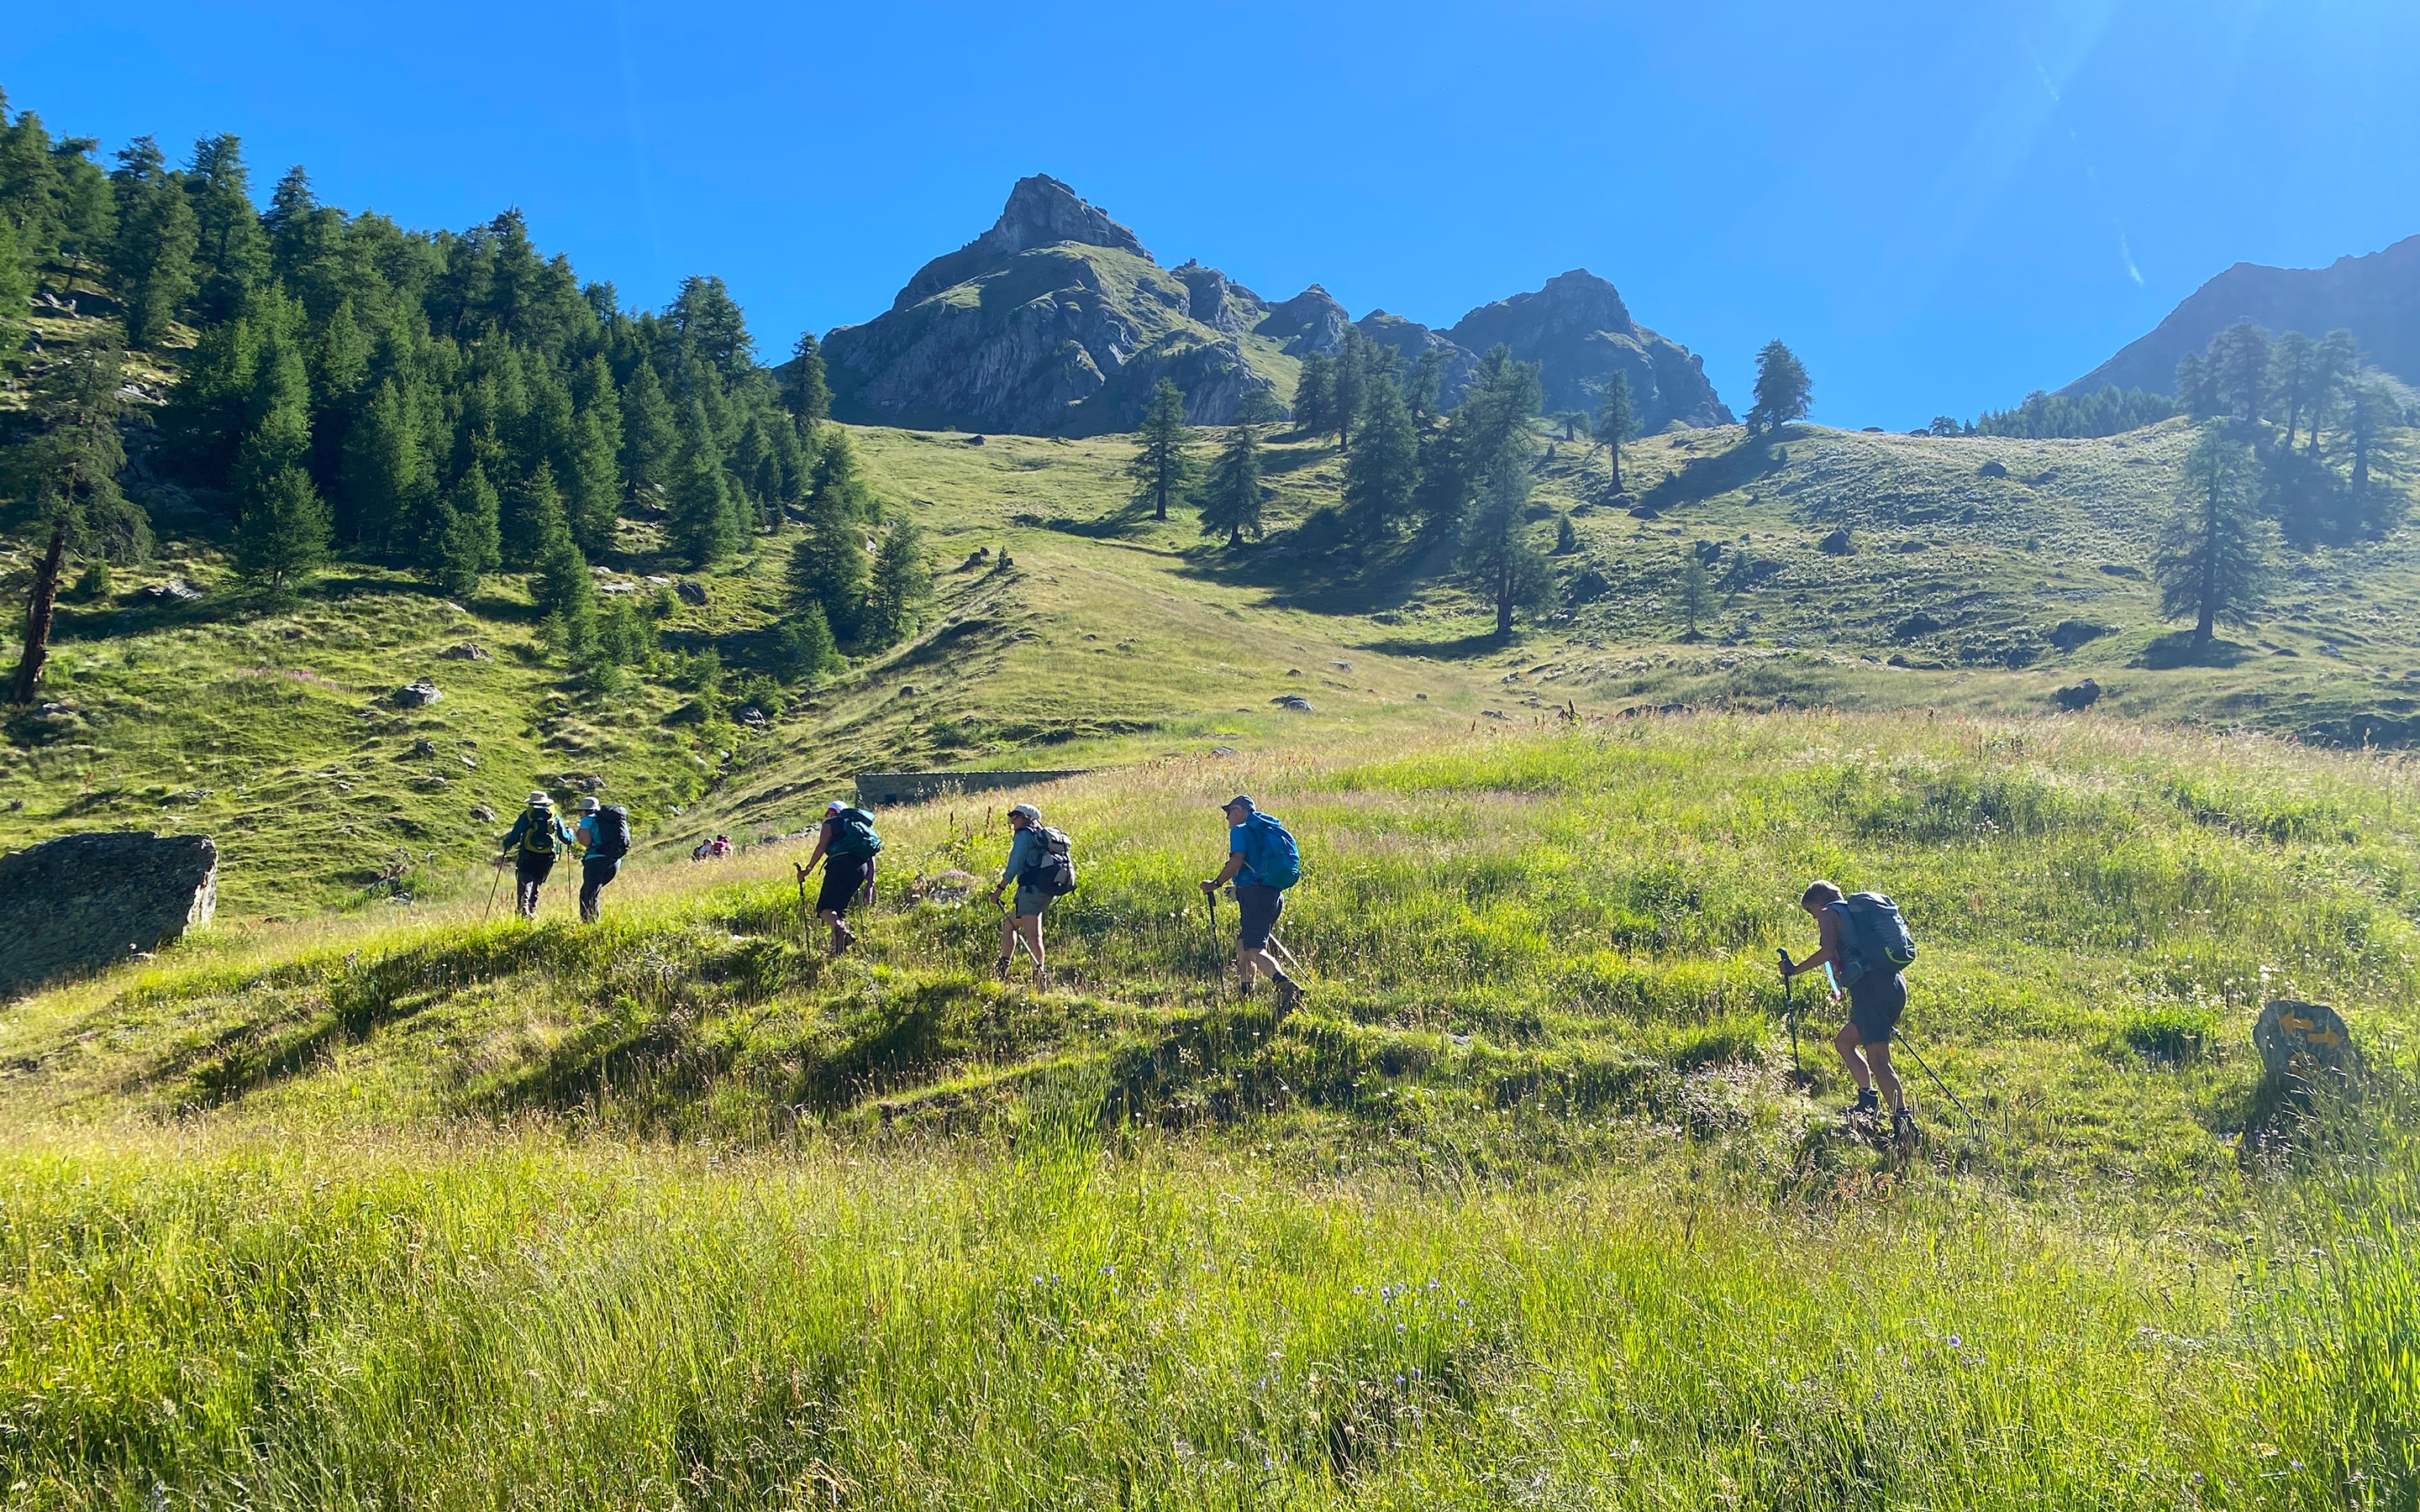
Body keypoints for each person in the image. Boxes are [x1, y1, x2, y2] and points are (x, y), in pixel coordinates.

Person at [1781, 879, 1912, 1144]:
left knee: (1879, 1061)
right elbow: (1838, 958)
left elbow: (1827, 952)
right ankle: (1868, 1103)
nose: (1814, 917)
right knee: (1844, 1042)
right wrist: (1838, 986)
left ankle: (1905, 1127)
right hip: (1893, 983)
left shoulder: (1829, 913)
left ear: (1818, 901)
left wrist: (1794, 970)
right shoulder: (1855, 913)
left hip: (1871, 989)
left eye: (1811, 912)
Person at [1199, 795, 1302, 1008]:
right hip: (1272, 894)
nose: (1227, 819)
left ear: (1238, 811)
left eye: (1228, 813)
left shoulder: (1241, 830)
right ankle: (1246, 994)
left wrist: (1216, 883)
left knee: (1254, 948)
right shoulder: (1267, 829)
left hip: (1256, 895)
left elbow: (1236, 860)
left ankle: (1286, 985)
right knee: (1243, 945)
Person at [800, 800, 881, 954]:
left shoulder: (831, 825)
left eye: (829, 812)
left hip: (840, 865)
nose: (828, 816)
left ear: (834, 812)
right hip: (860, 868)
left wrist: (807, 870)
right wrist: (870, 884)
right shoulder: (859, 827)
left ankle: (842, 933)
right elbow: (871, 856)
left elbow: (821, 846)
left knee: (824, 909)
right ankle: (837, 949)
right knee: (838, 910)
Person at [989, 802, 1053, 986]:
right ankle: (1002, 969)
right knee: (1009, 924)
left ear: (1026, 818)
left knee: (1034, 936)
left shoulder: (1024, 835)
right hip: (1040, 891)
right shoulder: (1038, 835)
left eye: (1014, 818)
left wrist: (999, 890)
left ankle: (1040, 980)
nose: (1012, 822)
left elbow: (1014, 865)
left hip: (1031, 891)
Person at [498, 790, 576, 919]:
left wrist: (506, 844)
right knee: (536, 882)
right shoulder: (553, 816)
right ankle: (532, 910)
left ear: (531, 803)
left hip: (528, 854)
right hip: (547, 856)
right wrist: (571, 834)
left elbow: (515, 835)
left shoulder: (527, 815)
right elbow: (565, 838)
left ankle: (522, 907)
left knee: (524, 880)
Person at [572, 795, 629, 924]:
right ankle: (591, 923)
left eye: (581, 811)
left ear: (585, 810)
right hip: (614, 860)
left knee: (588, 894)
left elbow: (586, 842)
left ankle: (590, 924)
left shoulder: (587, 820)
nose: (580, 814)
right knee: (592, 892)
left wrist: (578, 835)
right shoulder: (608, 820)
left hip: (595, 860)